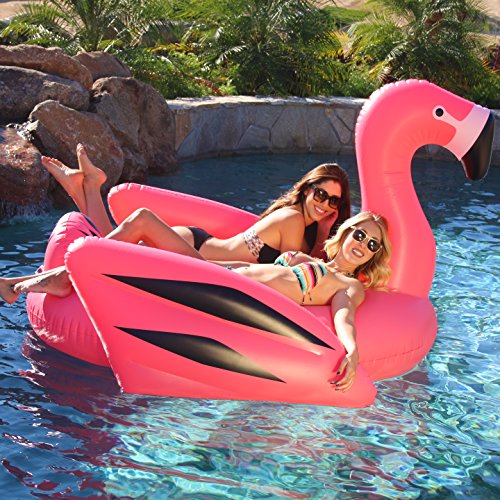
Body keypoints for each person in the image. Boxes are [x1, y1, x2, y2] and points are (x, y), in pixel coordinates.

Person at [0, 211, 391, 392]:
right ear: (346, 232)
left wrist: (352, 351)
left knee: (135, 234)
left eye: (372, 244)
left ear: (373, 256)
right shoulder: (307, 259)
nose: (363, 245)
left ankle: (40, 282)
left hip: (224, 294)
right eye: (360, 234)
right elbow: (251, 264)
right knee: (141, 221)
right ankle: (40, 281)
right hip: (215, 275)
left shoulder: (347, 284)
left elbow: (345, 317)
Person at [42, 144, 352, 262]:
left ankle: (86, 188)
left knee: (113, 243)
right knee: (117, 247)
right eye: (320, 194)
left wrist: (326, 229)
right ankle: (89, 189)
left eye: (333, 200)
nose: (325, 204)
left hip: (197, 247)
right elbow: (292, 270)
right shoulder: (293, 218)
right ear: (307, 189)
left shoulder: (305, 225)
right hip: (198, 255)